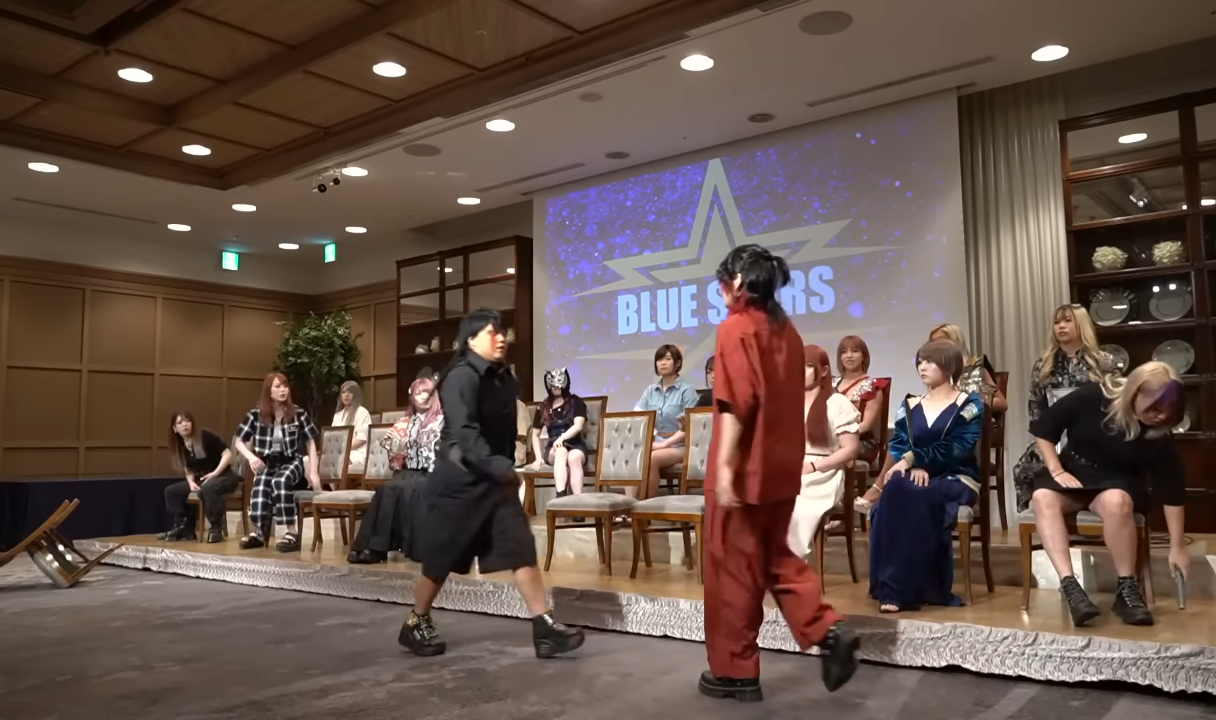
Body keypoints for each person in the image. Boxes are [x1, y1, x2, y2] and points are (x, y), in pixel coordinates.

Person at [700, 244, 858, 703]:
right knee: (772, 557)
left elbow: (736, 403)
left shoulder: (735, 328)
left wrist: (725, 466)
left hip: (744, 467)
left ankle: (736, 672)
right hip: (781, 469)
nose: (720, 290)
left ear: (737, 282)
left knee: (732, 571)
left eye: (722, 281)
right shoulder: (788, 331)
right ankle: (825, 631)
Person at [398, 309, 584, 659]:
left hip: (494, 478)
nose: (501, 338)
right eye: (491, 332)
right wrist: (498, 466)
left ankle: (543, 627)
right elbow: (465, 433)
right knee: (442, 560)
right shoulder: (460, 377)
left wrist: (503, 466)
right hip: (459, 481)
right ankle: (416, 620)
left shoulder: (502, 377)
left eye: (502, 332)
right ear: (471, 340)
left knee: (520, 545)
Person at [1028, 361, 1188, 627]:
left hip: (1117, 481)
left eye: (1169, 411)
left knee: (1117, 501)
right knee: (1042, 497)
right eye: (1156, 408)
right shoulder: (1094, 395)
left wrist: (1177, 547)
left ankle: (1127, 590)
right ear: (1135, 393)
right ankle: (1071, 588)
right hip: (1074, 472)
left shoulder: (1159, 433)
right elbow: (1044, 429)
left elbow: (1172, 489)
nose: (1162, 416)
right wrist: (1056, 470)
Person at [868, 340, 985, 613]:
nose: (922, 367)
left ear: (949, 365)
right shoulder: (909, 404)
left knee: (905, 493)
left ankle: (899, 589)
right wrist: (913, 466)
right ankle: (897, 588)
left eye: (930, 361)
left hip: (956, 477)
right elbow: (899, 443)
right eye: (920, 361)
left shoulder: (969, 404)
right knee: (898, 485)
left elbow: (957, 448)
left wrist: (915, 460)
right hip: (915, 478)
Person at [1012, 304, 1113, 513]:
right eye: (1057, 322)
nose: (1061, 326)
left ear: (1082, 325)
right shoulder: (1043, 366)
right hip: (1053, 439)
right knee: (1025, 468)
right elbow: (1036, 409)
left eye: (1067, 321)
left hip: (1094, 439)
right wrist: (1043, 445)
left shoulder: (1103, 362)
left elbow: (1115, 407)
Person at [348, 378, 443, 565]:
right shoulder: (407, 423)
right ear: (412, 399)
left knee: (413, 489)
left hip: (434, 472)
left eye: (427, 392)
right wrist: (393, 443)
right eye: (418, 393)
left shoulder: (443, 422)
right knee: (386, 489)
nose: (424, 396)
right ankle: (374, 548)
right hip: (410, 471)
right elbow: (397, 462)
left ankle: (418, 549)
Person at [233, 373, 322, 553]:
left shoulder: (298, 413)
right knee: (260, 489)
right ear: (269, 391)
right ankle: (259, 532)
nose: (283, 390)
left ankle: (292, 532)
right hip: (267, 462)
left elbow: (310, 442)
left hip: (291, 461)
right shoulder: (255, 414)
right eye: (277, 387)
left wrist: (313, 472)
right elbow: (238, 441)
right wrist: (251, 457)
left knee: (280, 482)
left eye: (285, 386)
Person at [787, 344, 860, 559]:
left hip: (823, 473)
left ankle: (790, 562)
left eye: (807, 366)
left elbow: (850, 449)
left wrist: (812, 467)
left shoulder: (837, 403)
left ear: (824, 370)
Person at [160, 411, 241, 544]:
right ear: (174, 429)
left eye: (187, 421)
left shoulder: (205, 436)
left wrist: (215, 473)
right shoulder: (180, 445)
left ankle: (216, 527)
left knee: (208, 488)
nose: (185, 425)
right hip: (203, 479)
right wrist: (191, 482)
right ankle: (185, 528)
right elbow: (188, 469)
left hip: (224, 476)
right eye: (180, 422)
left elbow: (227, 455)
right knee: (172, 491)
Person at [633, 344, 700, 497]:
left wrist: (664, 444)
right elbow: (639, 415)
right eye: (659, 359)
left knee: (651, 458)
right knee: (632, 455)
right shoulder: (650, 390)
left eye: (668, 359)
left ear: (677, 363)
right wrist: (653, 432)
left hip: (680, 445)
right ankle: (630, 503)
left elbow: (690, 425)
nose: (663, 363)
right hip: (655, 442)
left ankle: (645, 506)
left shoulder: (686, 390)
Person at [528, 367, 589, 498]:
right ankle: (560, 496)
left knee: (574, 457)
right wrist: (538, 457)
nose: (557, 387)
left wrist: (562, 438)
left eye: (560, 383)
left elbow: (578, 426)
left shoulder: (575, 402)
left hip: (575, 444)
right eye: (554, 384)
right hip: (554, 448)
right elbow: (535, 434)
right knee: (561, 451)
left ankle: (578, 500)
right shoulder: (543, 407)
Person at [928, 323, 1007, 413]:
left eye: (941, 341)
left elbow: (1001, 403)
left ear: (956, 342)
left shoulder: (975, 369)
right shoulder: (935, 375)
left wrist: (970, 407)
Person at [332, 380, 372, 474]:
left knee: (339, 460)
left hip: (357, 452)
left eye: (350, 392)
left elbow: (361, 440)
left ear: (356, 395)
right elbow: (333, 438)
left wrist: (342, 449)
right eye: (343, 392)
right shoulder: (337, 415)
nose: (346, 395)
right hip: (339, 452)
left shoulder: (362, 413)